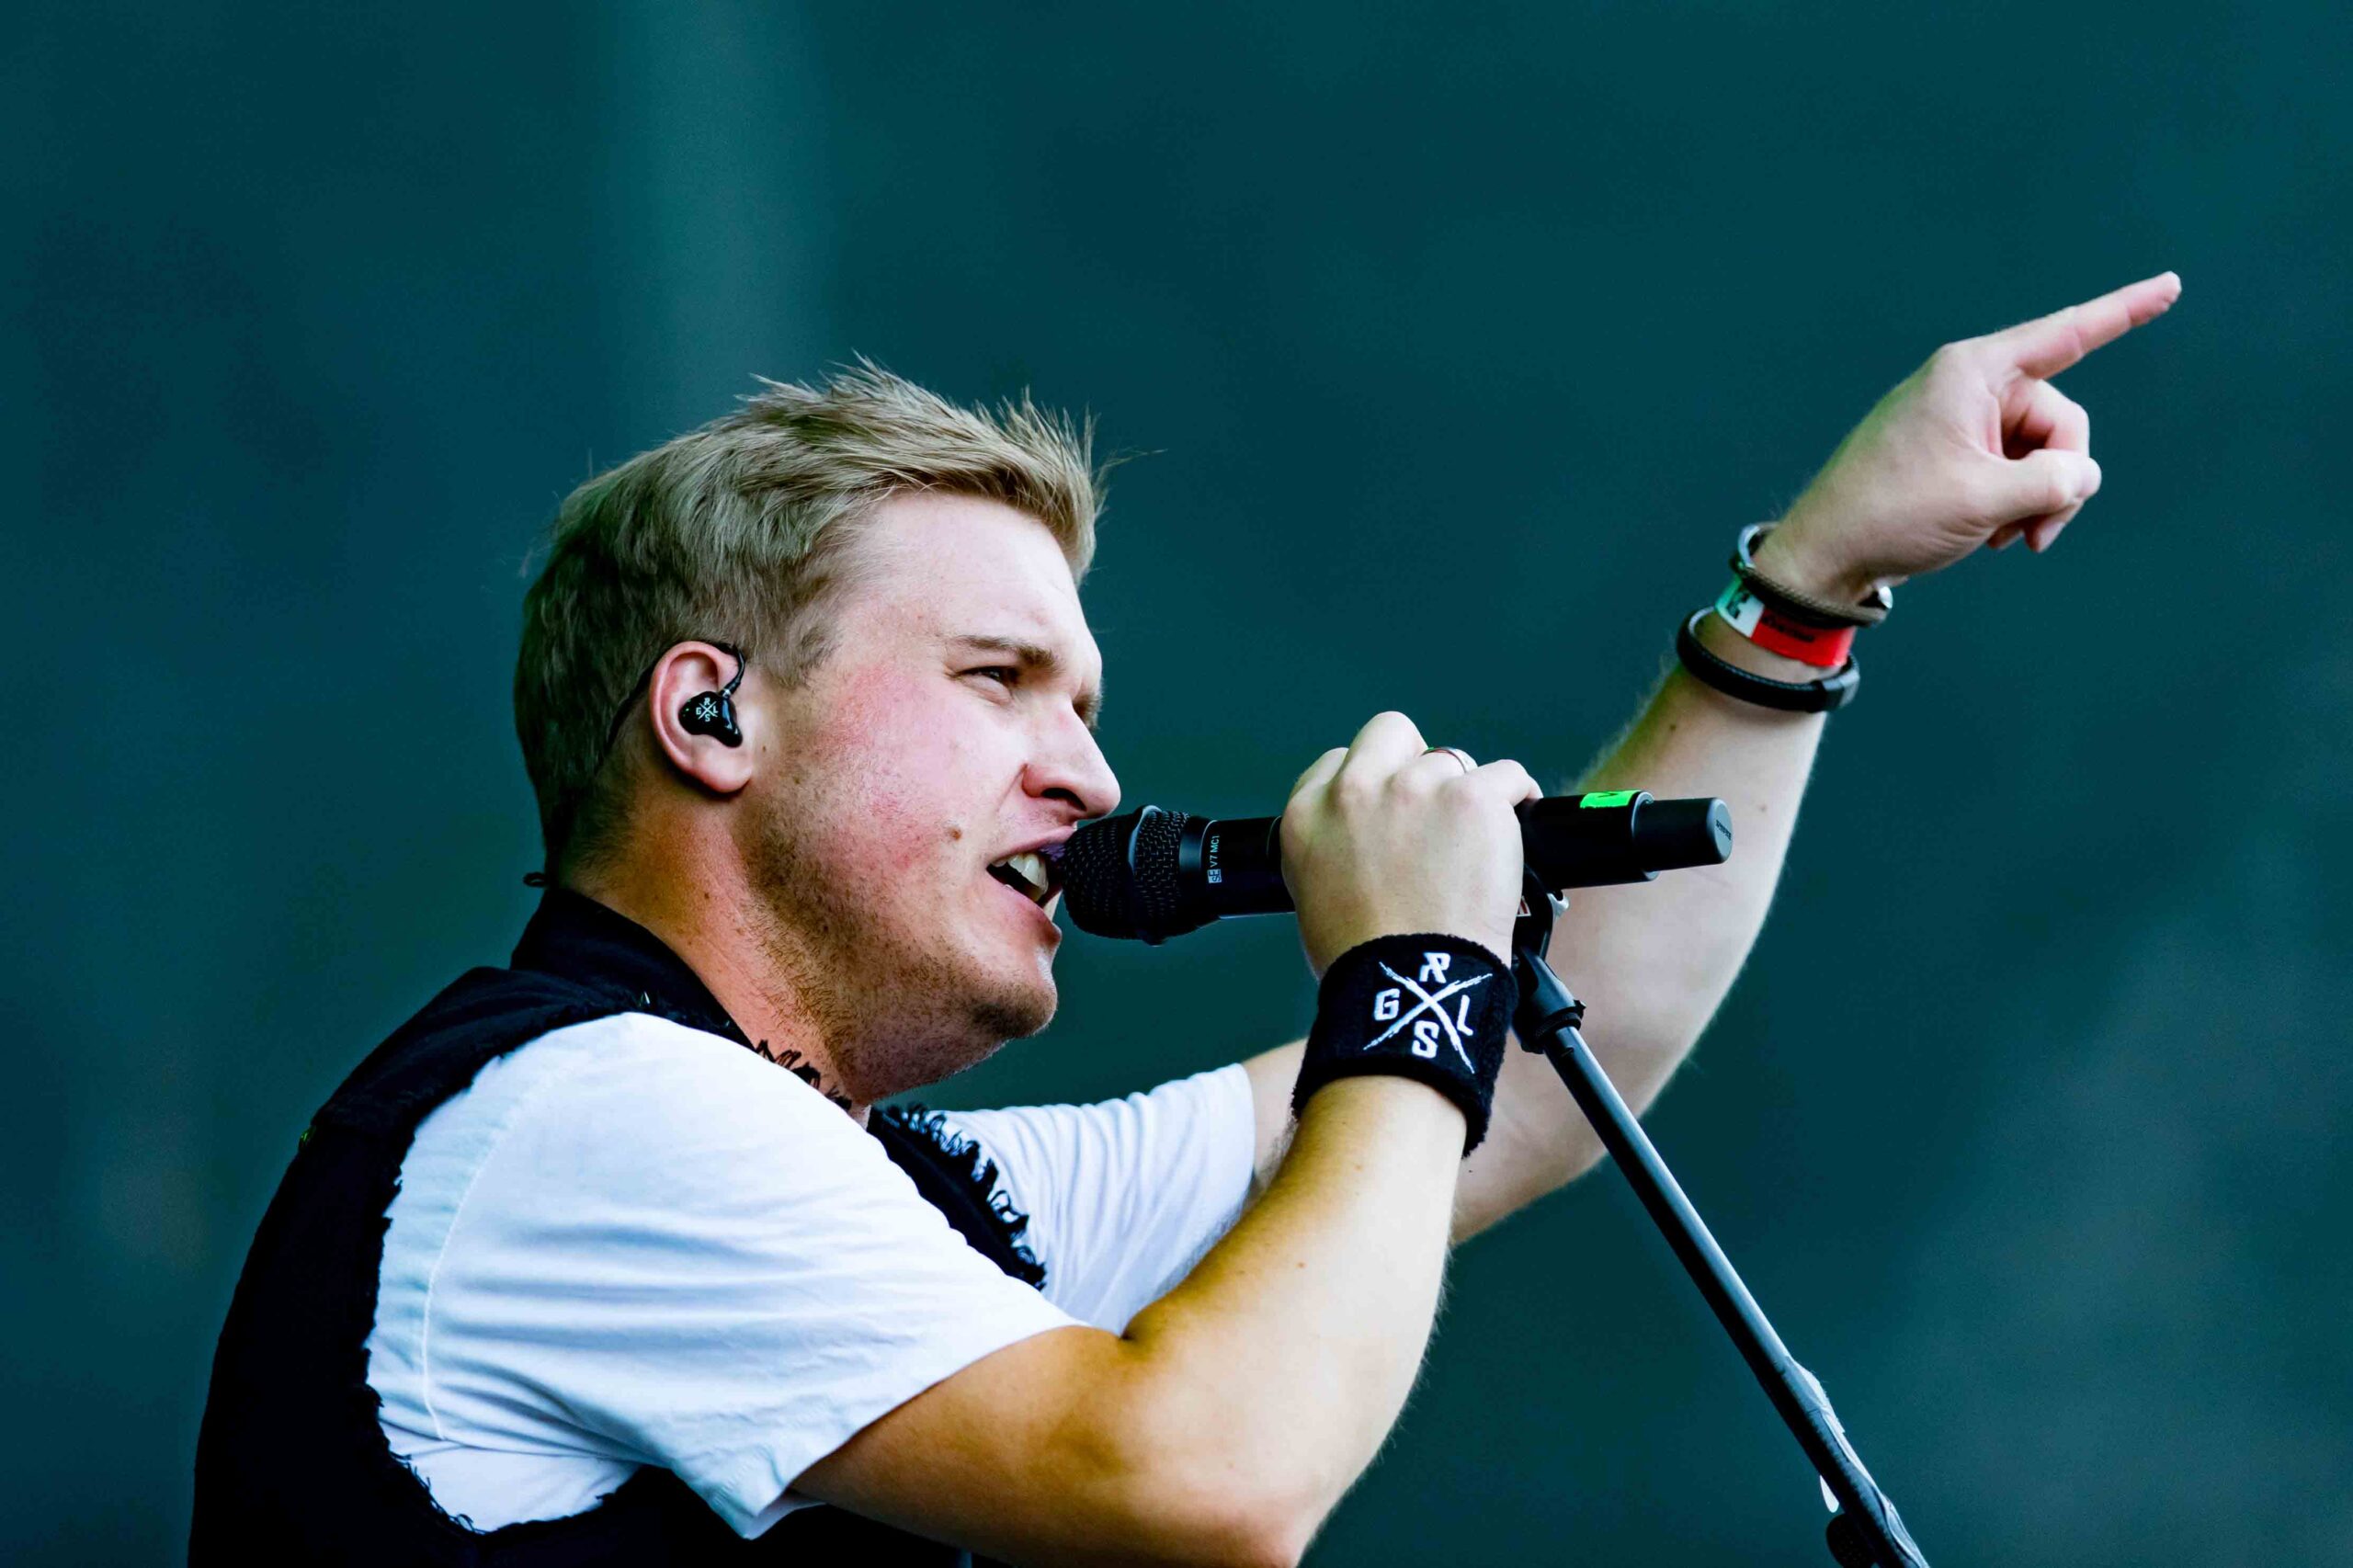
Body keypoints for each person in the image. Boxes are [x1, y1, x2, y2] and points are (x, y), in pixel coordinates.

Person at [192, 273, 2178, 1566]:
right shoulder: (583, 1123)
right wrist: (1407, 971)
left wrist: (1801, 596)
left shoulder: (887, 1204)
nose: (1087, 776)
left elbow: (1539, 1076)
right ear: (711, 715)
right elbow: (1205, 1476)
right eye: (998, 682)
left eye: (1085, 706)